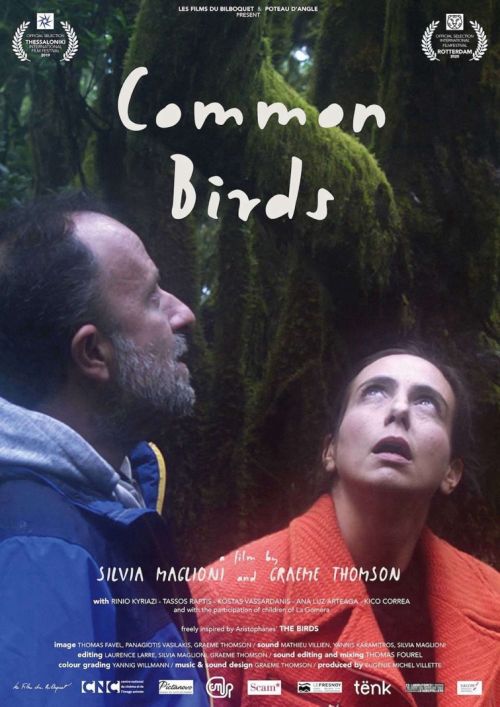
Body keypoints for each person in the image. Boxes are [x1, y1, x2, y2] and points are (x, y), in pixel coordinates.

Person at [191, 348, 500, 706]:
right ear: (330, 451)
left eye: (426, 403)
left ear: (451, 473)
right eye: (375, 392)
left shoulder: (493, 599)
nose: (399, 409)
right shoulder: (228, 598)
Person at [0, 194, 209, 705]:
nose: (184, 313)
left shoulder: (98, 509)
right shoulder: (40, 549)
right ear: (93, 352)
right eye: (153, 297)